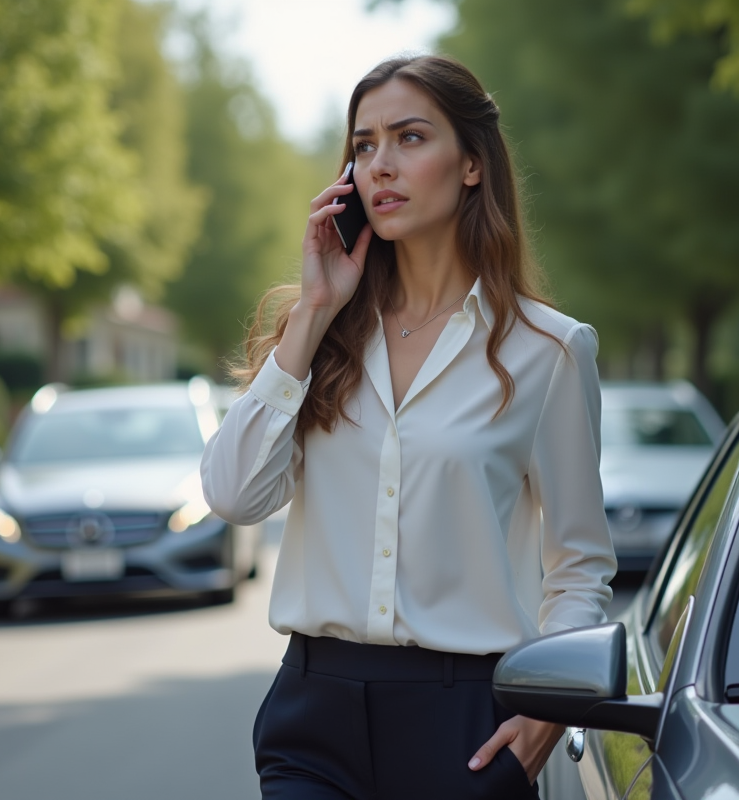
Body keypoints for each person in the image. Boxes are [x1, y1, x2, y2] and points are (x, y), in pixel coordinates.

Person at [201, 54, 616, 800]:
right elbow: (233, 496)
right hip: (313, 714)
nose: (379, 166)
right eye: (363, 146)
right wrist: (312, 315)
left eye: (410, 138)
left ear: (471, 166)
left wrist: (549, 709)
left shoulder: (549, 352)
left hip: (466, 726)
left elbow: (580, 562)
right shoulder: (324, 336)